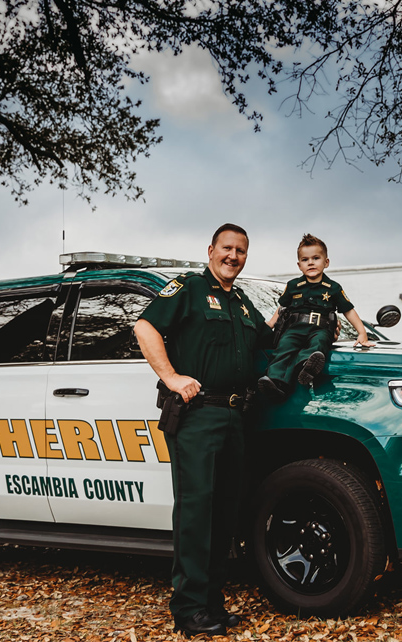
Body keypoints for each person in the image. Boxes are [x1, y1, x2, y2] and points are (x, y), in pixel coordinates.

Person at [133, 223, 272, 638]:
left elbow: (268, 340)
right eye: (227, 248)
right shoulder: (189, 288)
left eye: (241, 251)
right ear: (210, 250)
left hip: (235, 416)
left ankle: (212, 602)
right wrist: (171, 376)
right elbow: (144, 327)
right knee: (196, 514)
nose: (233, 256)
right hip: (197, 415)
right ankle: (189, 608)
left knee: (224, 514)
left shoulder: (242, 302)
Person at [259, 233, 374, 399]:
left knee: (319, 343)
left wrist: (362, 332)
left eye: (316, 258)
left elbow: (348, 310)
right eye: (305, 260)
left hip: (320, 329)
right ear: (299, 265)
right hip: (295, 329)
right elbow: (283, 307)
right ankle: (275, 382)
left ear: (326, 262)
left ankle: (308, 366)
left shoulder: (333, 288)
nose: (310, 262)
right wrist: (270, 323)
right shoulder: (293, 285)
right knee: (284, 347)